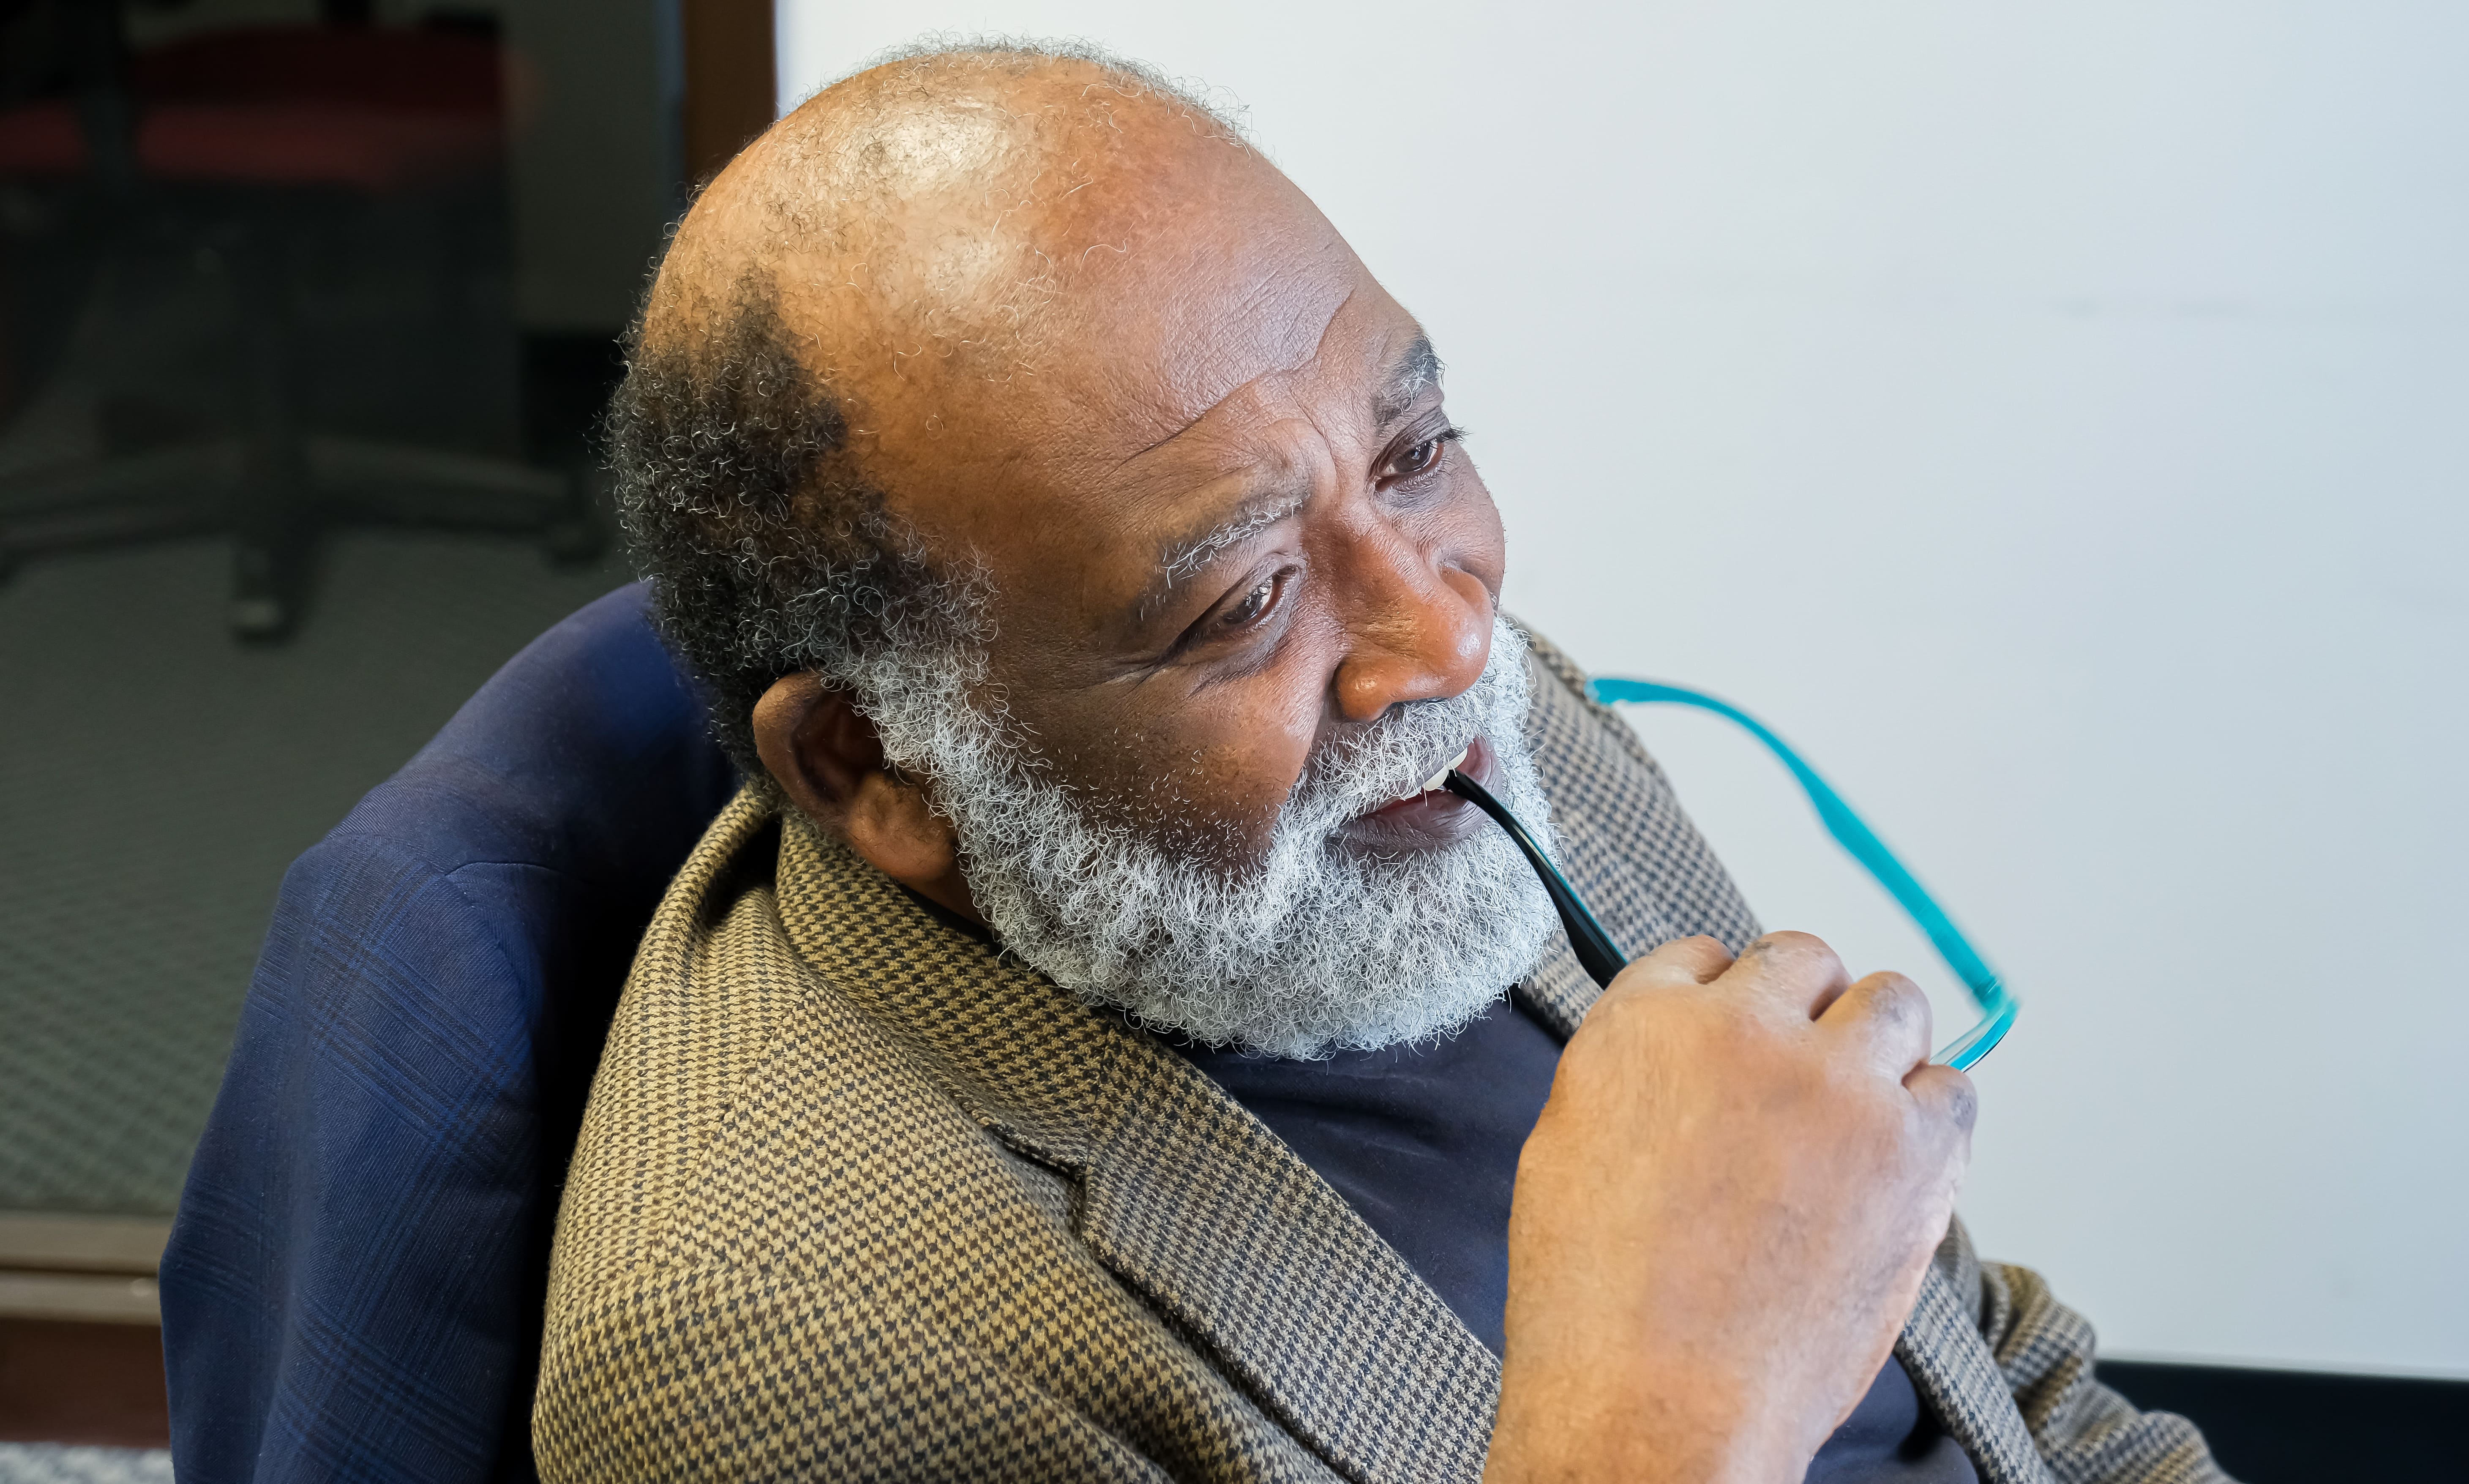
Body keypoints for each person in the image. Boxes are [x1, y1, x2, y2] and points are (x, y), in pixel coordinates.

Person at [533, 41, 2228, 1484]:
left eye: (1414, 450)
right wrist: (1668, 1419)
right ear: (879, 761)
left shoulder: (1464, 724)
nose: (1453, 638)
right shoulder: (765, 1341)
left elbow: (1983, 1366)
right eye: (1248, 595)